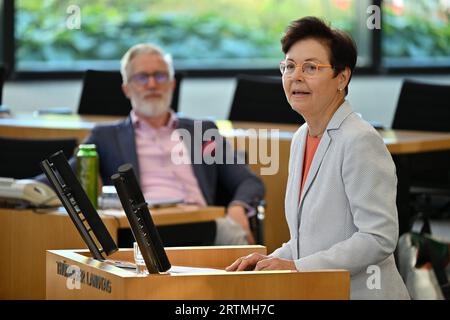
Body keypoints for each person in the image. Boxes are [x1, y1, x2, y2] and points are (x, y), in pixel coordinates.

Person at [226, 17, 410, 299]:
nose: (295, 76)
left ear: (342, 77)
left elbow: (378, 238)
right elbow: (309, 241)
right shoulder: (302, 137)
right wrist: (270, 261)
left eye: (310, 67)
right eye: (289, 66)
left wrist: (296, 267)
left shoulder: (360, 140)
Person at [41, 43, 265, 246]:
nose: (151, 84)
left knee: (237, 237)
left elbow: (248, 181)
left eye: (159, 76)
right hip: (142, 233)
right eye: (141, 77)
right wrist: (17, 189)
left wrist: (238, 207)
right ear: (126, 88)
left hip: (205, 225)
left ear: (172, 83)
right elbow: (63, 178)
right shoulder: (106, 136)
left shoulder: (201, 131)